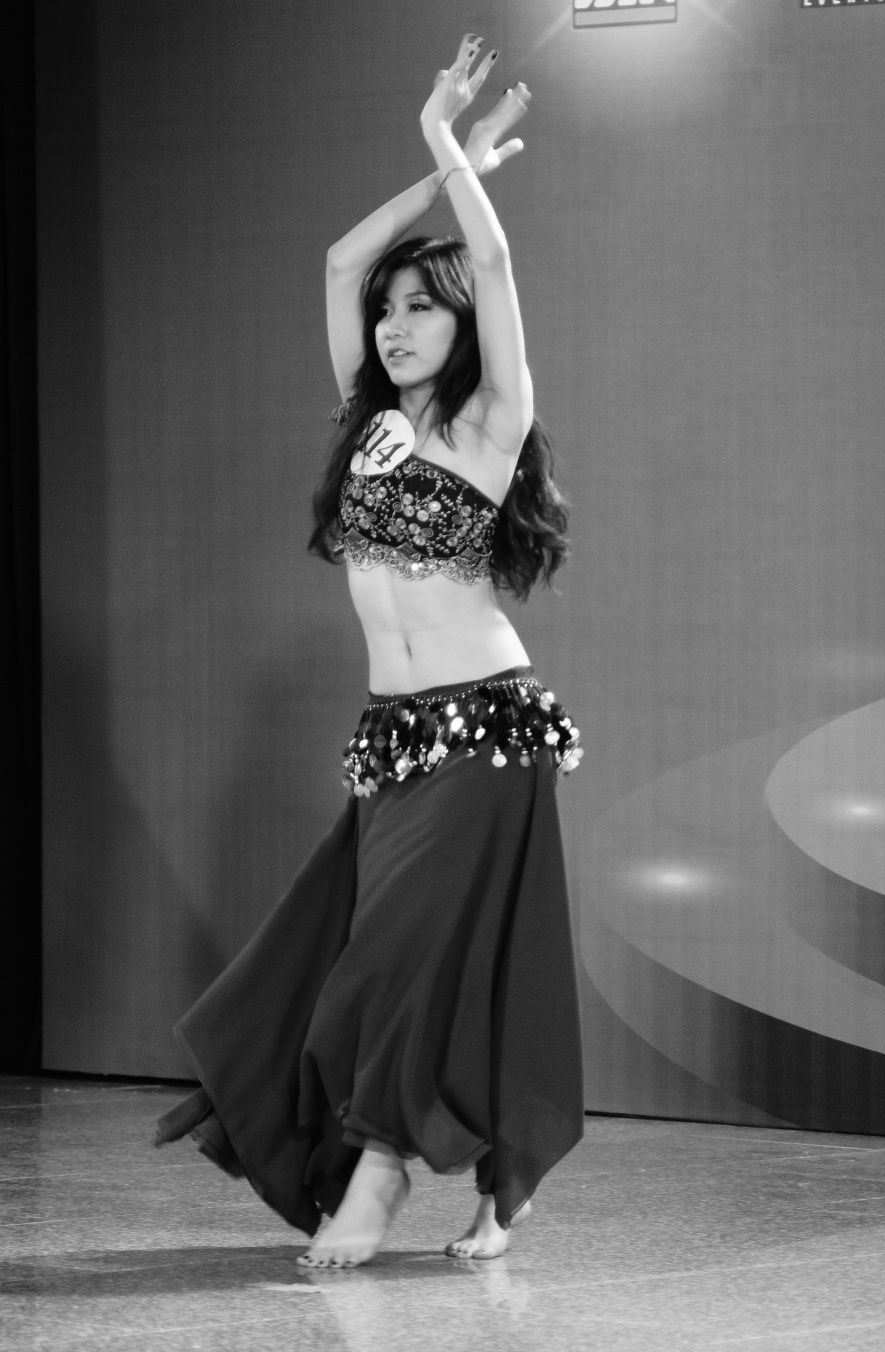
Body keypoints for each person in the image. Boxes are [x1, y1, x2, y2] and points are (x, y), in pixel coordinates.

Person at [155, 35, 584, 1270]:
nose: (392, 324)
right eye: (387, 314)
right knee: (395, 962)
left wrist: (447, 142)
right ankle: (500, 1177)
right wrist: (443, 174)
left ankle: (381, 1175)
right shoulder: (368, 421)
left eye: (419, 308)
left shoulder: (490, 425)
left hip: (485, 728)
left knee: (392, 962)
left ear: (462, 326)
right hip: (394, 741)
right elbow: (342, 261)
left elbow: (493, 262)